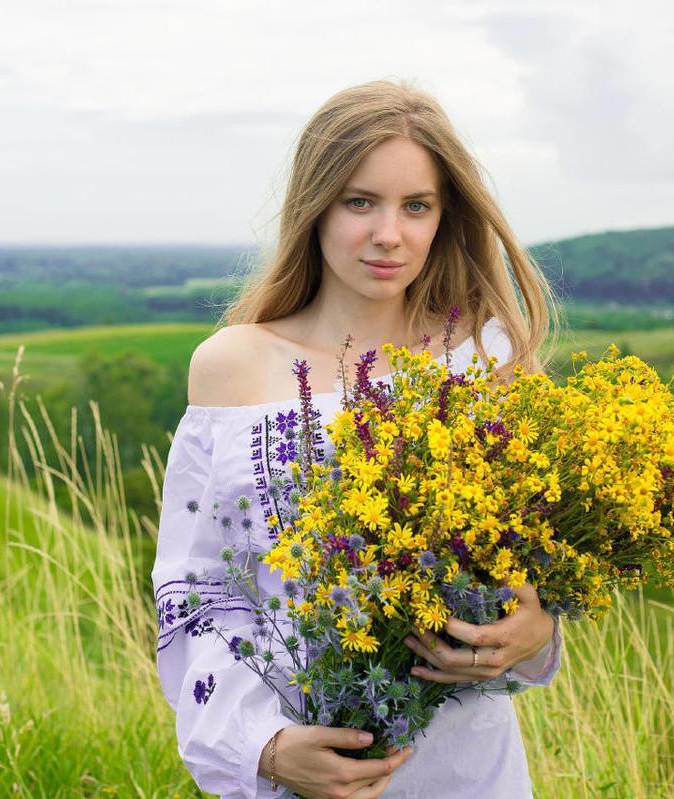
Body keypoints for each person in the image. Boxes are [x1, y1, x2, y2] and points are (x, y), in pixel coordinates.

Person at [153, 79, 566, 799]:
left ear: (444, 216)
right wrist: (266, 747)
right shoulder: (232, 367)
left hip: (468, 768)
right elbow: (196, 595)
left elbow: (532, 565)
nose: (389, 234)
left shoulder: (482, 356)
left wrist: (536, 633)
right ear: (314, 207)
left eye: (416, 206)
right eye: (360, 201)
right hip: (305, 774)